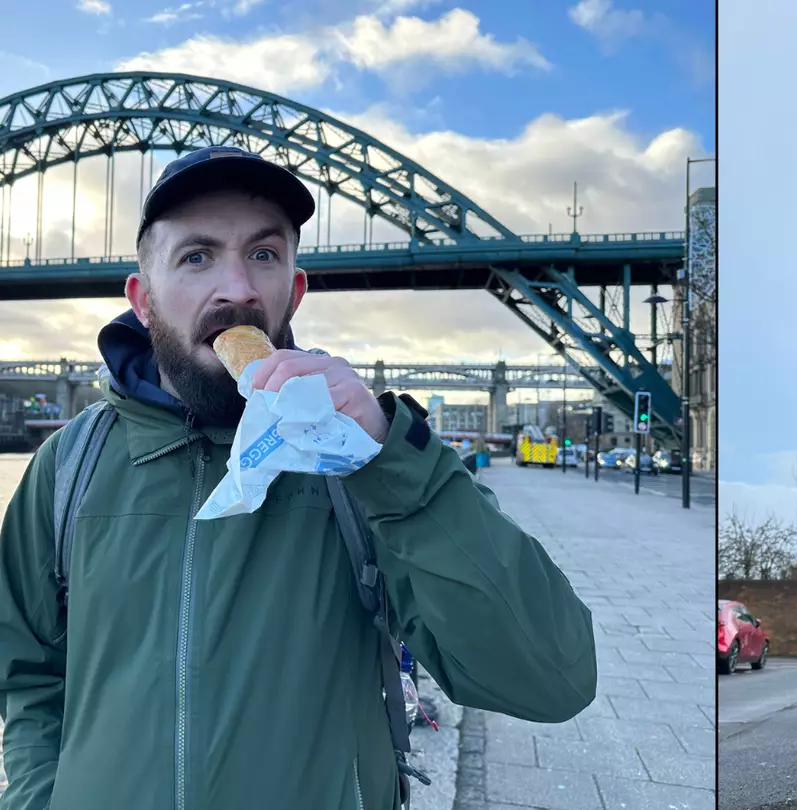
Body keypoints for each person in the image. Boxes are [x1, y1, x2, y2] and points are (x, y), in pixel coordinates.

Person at [0, 146, 598, 810]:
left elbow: (552, 678)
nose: (239, 289)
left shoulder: (365, 465)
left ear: (296, 288)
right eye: (196, 257)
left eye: (264, 255)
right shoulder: (69, 468)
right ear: (142, 300)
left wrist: (394, 463)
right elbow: (28, 676)